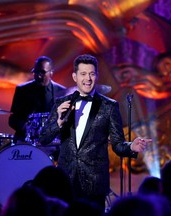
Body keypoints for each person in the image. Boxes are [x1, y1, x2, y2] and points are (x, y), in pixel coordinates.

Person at [39, 54, 150, 211]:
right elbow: (44, 138)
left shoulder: (109, 106)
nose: (88, 78)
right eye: (83, 74)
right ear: (75, 76)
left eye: (91, 74)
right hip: (66, 180)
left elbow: (117, 144)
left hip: (95, 181)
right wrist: (58, 122)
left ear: (96, 76)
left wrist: (131, 147)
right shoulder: (61, 103)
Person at [9, 56, 66, 145]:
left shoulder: (62, 91)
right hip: (26, 141)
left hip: (52, 144)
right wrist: (25, 128)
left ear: (51, 73)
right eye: (36, 72)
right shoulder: (22, 90)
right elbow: (13, 119)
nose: (39, 76)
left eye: (42, 72)